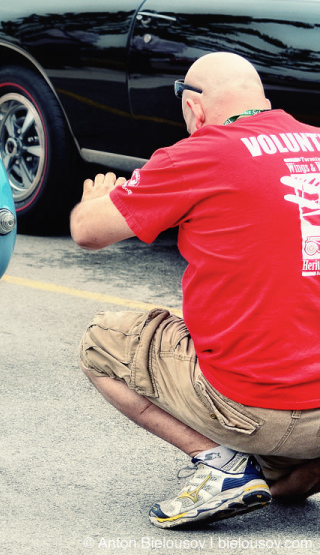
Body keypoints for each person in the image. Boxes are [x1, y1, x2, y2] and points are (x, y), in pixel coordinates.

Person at [70, 52, 320, 529]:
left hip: (253, 406)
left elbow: (87, 232)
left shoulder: (196, 155)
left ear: (194, 108)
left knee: (103, 339)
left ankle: (221, 465)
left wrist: (97, 200)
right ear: (262, 99)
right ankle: (300, 470)